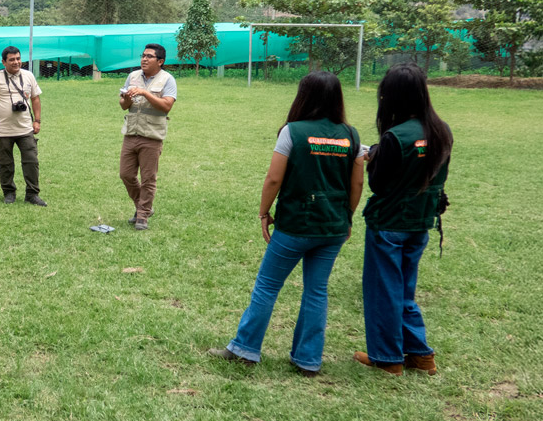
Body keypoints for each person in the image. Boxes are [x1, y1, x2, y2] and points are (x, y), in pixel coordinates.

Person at [208, 71, 364, 377]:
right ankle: (308, 360)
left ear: (304, 96)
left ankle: (244, 349)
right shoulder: (352, 135)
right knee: (316, 291)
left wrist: (264, 212)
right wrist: (347, 217)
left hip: (295, 224)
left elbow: (274, 178)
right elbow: (357, 183)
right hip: (332, 226)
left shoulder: (292, 131)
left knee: (267, 286)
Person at [354, 63, 453, 376]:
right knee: (404, 291)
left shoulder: (395, 137)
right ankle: (420, 354)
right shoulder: (441, 131)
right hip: (421, 222)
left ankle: (388, 358)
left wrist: (374, 157)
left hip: (389, 224)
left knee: (384, 292)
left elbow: (379, 185)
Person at [118, 44, 177, 230]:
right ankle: (143, 207)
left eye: (149, 56)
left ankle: (142, 215)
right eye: (143, 55)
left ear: (160, 61)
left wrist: (144, 93)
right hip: (131, 133)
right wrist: (127, 98)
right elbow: (123, 105)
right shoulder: (133, 76)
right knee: (126, 174)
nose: (144, 59)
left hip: (152, 135)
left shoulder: (167, 79)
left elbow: (167, 106)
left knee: (148, 179)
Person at [0, 46, 46, 206]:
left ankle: (32, 194)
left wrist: (37, 121)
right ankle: (9, 193)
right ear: (3, 62)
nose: (16, 62)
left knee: (31, 161)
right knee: (5, 163)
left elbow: (35, 99)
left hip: (25, 128)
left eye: (18, 58)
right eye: (11, 59)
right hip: (3, 130)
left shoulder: (28, 76)